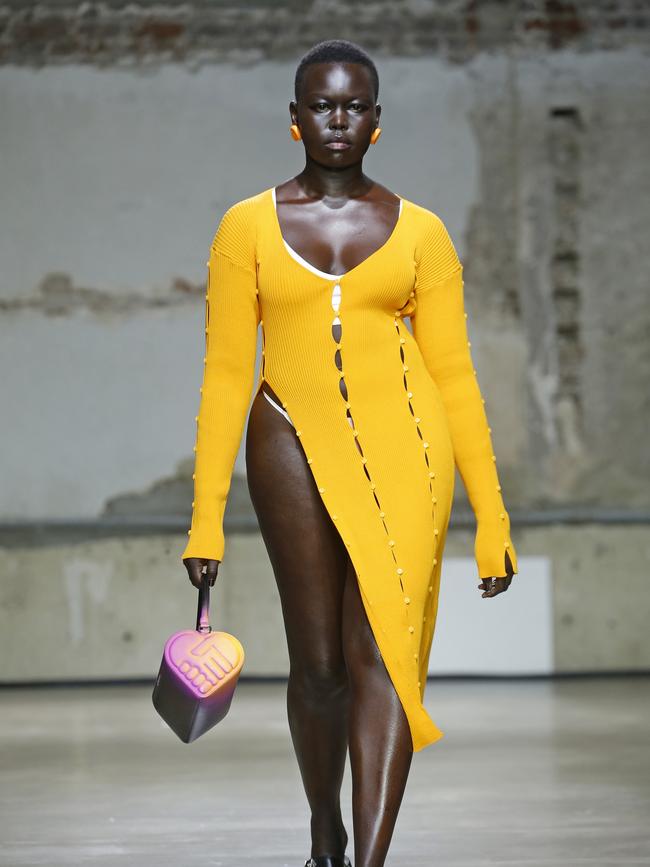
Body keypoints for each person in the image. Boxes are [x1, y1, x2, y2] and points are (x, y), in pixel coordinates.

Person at [182, 38, 517, 867]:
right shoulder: (247, 228)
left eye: (354, 104)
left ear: (377, 121)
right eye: (321, 104)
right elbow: (225, 377)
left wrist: (493, 514)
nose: (339, 117)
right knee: (321, 667)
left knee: (385, 656)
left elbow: (457, 378)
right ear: (294, 121)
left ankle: (364, 861)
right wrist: (205, 524)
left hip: (410, 446)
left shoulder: (423, 234)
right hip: (288, 438)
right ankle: (324, 824)